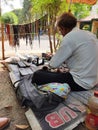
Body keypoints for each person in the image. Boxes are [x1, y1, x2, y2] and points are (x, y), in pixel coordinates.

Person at [32, 12, 98, 91]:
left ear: (63, 28)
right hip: (93, 81)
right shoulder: (89, 34)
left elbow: (53, 64)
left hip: (80, 83)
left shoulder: (69, 37)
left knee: (37, 75)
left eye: (60, 30)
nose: (61, 33)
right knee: (59, 73)